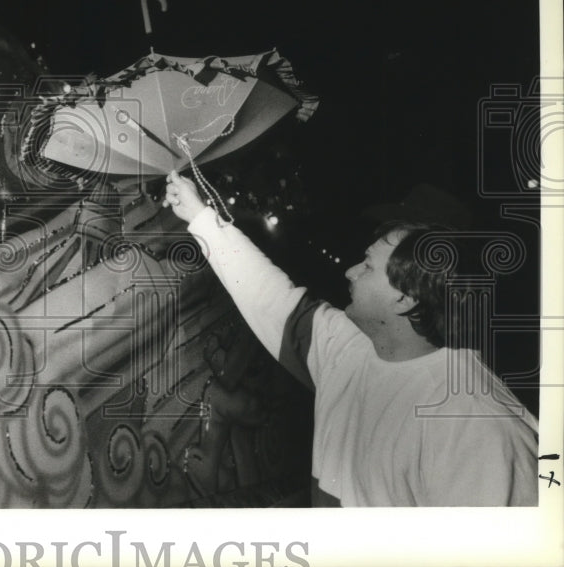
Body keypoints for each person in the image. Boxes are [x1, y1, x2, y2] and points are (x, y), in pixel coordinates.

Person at [164, 170, 538, 507]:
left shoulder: (480, 426)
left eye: (368, 267)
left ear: (404, 297)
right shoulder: (348, 347)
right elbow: (269, 295)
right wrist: (201, 217)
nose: (349, 271)